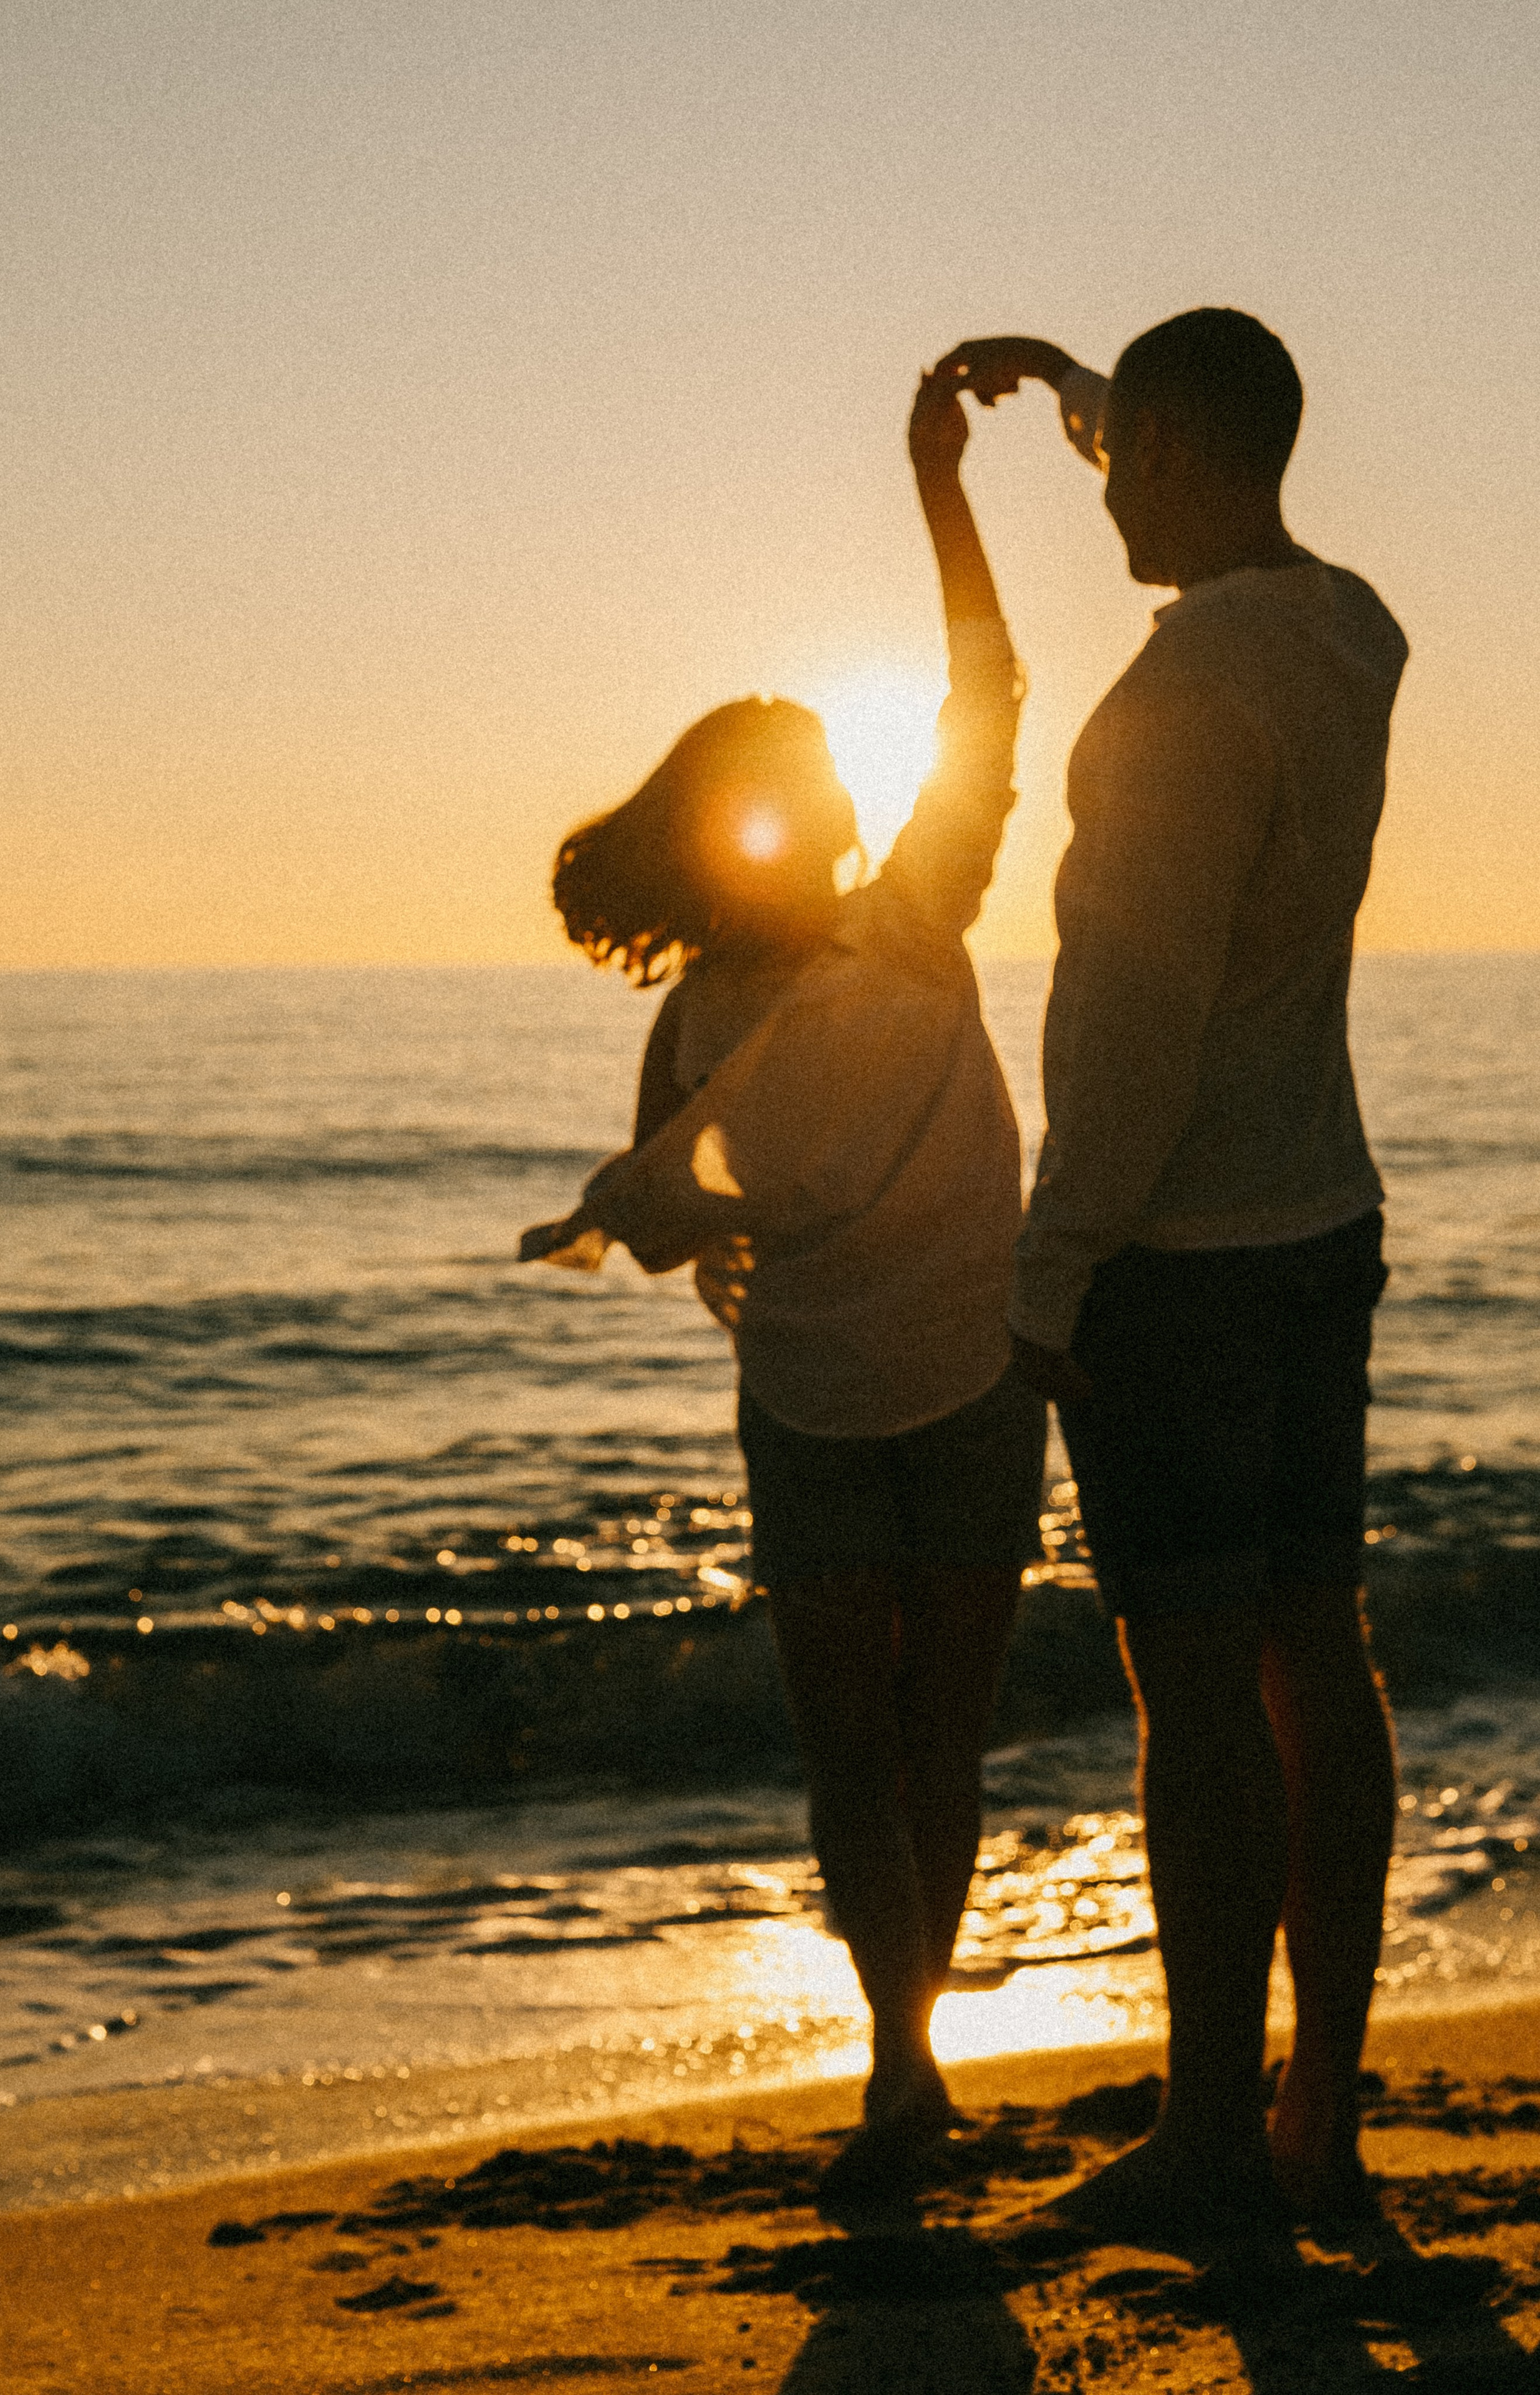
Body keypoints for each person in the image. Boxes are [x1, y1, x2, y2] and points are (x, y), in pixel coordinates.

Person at [520, 367, 1046, 2204]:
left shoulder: (865, 941)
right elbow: (680, 1204)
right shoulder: (745, 1003)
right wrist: (667, 1210)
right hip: (894, 1390)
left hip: (932, 1383)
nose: (839, 784)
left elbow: (987, 693)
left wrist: (941, 490)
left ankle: (908, 2061)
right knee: (896, 1740)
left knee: (897, 1742)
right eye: (810, 769)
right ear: (751, 814)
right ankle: (907, 2056)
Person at [939, 311, 1408, 2232]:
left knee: (1197, 1689)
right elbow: (1205, 469)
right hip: (1322, 1221)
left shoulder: (1168, 714)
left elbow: (1131, 1039)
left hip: (1181, 1265)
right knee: (1320, 1646)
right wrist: (1072, 385)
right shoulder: (1349, 625)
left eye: (1128, 458)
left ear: (1192, 459)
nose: (1106, 481)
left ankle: (1211, 2138)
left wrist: (1042, 1297)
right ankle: (1318, 2116)